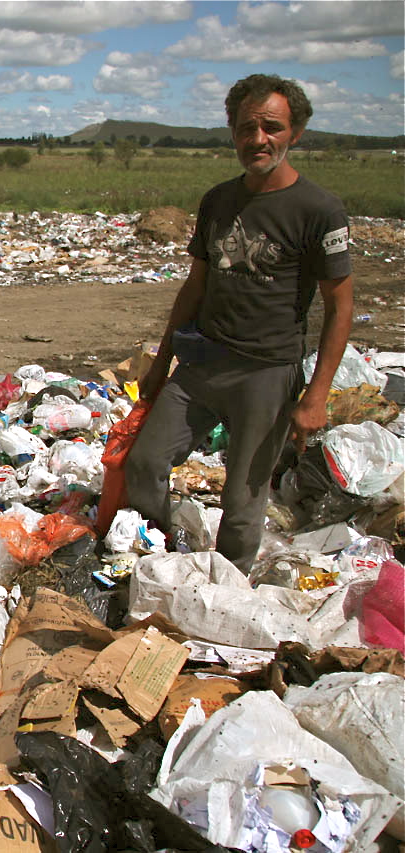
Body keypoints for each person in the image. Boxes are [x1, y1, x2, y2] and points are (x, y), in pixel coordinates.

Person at [124, 74, 354, 572]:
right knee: (144, 462)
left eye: (272, 127)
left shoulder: (319, 210)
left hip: (266, 372)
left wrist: (316, 396)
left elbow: (340, 307)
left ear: (295, 132)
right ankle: (157, 558)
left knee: (243, 498)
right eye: (247, 128)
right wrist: (161, 364)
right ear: (232, 132)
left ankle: (227, 588)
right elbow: (195, 287)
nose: (258, 139)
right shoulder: (219, 201)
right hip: (203, 361)